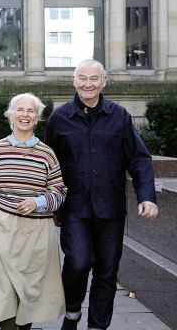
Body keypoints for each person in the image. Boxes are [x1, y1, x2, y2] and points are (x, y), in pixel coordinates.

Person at [45, 59, 158, 330]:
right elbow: (48, 165)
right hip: (74, 209)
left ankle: (98, 326)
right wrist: (51, 205)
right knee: (78, 263)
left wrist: (147, 196)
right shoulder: (59, 119)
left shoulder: (120, 116)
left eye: (94, 78)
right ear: (73, 81)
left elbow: (140, 159)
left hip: (111, 208)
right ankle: (72, 312)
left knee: (107, 271)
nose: (88, 83)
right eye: (82, 78)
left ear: (104, 82)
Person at [0, 93, 67, 330]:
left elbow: (59, 190)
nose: (25, 115)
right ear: (10, 114)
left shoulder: (47, 153)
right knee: (2, 285)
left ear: (37, 118)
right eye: (20, 110)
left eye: (31, 111)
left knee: (29, 287)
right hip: (1, 227)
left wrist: (37, 202)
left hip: (36, 230)